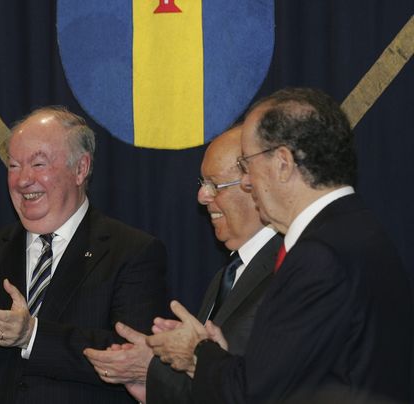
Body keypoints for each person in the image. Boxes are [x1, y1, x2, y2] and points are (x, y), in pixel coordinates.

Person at [146, 87, 413, 403]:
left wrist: (197, 352)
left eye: (248, 163)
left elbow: (254, 395)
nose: (247, 181)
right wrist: (219, 356)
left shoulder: (319, 257)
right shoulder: (358, 229)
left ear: (283, 163)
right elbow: (294, 374)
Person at [0, 106, 168, 403]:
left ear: (80, 169)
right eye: (13, 166)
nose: (22, 180)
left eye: (39, 164)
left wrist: (32, 336)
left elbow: (130, 361)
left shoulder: (132, 253)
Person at [83, 126, 281, 403]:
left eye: (215, 184)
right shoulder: (228, 274)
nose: (202, 197)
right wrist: (154, 383)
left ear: (255, 185)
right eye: (203, 184)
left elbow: (260, 383)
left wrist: (156, 369)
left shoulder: (288, 268)